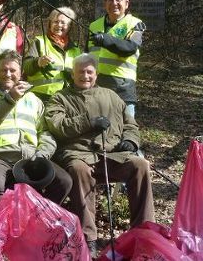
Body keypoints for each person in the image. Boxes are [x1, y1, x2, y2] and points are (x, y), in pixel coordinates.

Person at [44, 53, 155, 257]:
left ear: (96, 74)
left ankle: (144, 231)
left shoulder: (111, 95)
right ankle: (88, 237)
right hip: (79, 154)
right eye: (80, 72)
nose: (85, 76)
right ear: (73, 74)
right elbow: (57, 126)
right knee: (78, 170)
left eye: (89, 72)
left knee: (140, 164)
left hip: (111, 155)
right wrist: (89, 121)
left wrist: (130, 141)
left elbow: (130, 124)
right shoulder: (60, 98)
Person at [0, 50, 73, 209]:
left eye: (12, 70)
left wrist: (43, 153)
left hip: (31, 156)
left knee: (64, 181)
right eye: (3, 70)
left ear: (21, 73)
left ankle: (38, 217)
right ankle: (2, 224)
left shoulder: (33, 99)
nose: (7, 74)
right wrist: (10, 99)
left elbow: (45, 132)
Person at [88, 0, 146, 117]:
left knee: (126, 131)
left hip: (123, 91)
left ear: (126, 3)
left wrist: (105, 39)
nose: (114, 3)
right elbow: (87, 56)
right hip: (96, 89)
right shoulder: (94, 25)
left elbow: (129, 48)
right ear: (105, 3)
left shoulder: (136, 24)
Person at [24, 7, 81, 103]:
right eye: (55, 22)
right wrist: (38, 62)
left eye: (63, 23)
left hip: (66, 99)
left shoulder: (75, 50)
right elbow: (26, 67)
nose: (59, 25)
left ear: (70, 26)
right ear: (50, 24)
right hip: (39, 98)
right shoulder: (39, 42)